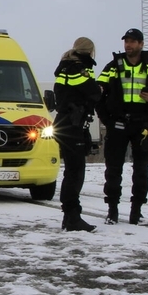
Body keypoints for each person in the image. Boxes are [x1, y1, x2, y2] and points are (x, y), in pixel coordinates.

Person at [95, 28, 148, 225]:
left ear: (141, 44)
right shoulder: (114, 66)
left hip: (142, 126)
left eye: (133, 41)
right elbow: (98, 94)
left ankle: (136, 212)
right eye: (126, 41)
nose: (128, 45)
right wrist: (106, 119)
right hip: (118, 124)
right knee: (113, 170)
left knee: (141, 171)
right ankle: (112, 211)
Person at [52, 37, 102, 232]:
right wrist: (98, 90)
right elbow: (92, 92)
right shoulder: (77, 68)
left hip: (66, 123)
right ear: (89, 51)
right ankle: (72, 217)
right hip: (72, 125)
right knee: (75, 172)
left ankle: (70, 216)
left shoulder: (66, 65)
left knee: (72, 171)